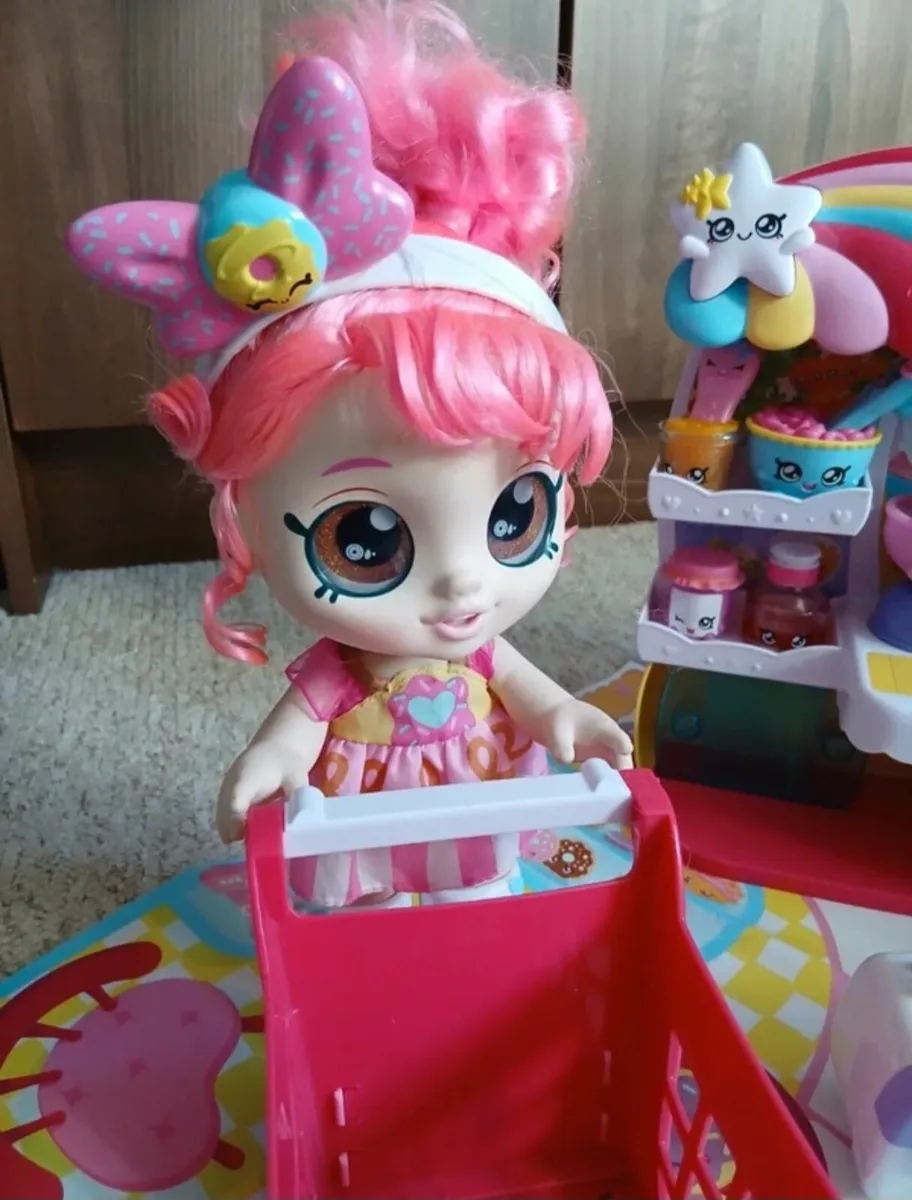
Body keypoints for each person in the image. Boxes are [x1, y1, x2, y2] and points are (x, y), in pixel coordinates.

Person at [67, 1, 632, 908]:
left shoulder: (482, 650)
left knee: (478, 897)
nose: (463, 584)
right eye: (363, 539)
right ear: (244, 518)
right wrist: (269, 761)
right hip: (363, 824)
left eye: (516, 516)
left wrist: (563, 711)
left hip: (471, 813)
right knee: (368, 916)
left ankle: (473, 924)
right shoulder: (346, 673)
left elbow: (527, 692)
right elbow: (298, 729)